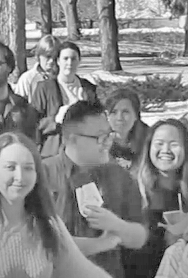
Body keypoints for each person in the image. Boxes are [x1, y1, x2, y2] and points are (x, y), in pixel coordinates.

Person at [0, 133, 111, 278]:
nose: (20, 177)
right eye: (10, 167)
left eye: (28, 168)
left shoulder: (49, 226)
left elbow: (85, 271)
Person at [43, 100, 147, 278]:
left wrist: (118, 225)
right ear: (72, 139)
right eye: (100, 137)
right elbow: (37, 242)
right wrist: (101, 243)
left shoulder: (118, 175)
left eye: (109, 135)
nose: (107, 143)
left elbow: (140, 238)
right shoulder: (42, 175)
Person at [125, 119, 188, 277]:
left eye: (174, 144)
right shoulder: (131, 188)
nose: (166, 150)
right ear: (149, 147)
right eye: (159, 143)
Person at [30, 42, 98, 157]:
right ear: (58, 61)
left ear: (79, 61)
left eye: (73, 59)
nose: (69, 63)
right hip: (53, 153)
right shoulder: (45, 88)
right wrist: (55, 120)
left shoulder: (88, 88)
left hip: (83, 153)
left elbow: (98, 121)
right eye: (65, 58)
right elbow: (32, 124)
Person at [105, 90, 149, 170]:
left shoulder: (149, 139)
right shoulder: (98, 140)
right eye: (114, 112)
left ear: (136, 115)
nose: (119, 118)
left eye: (125, 112)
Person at [15, 34, 60, 99]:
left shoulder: (64, 77)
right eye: (48, 56)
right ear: (39, 56)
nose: (51, 61)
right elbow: (19, 105)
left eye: (55, 57)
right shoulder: (27, 79)